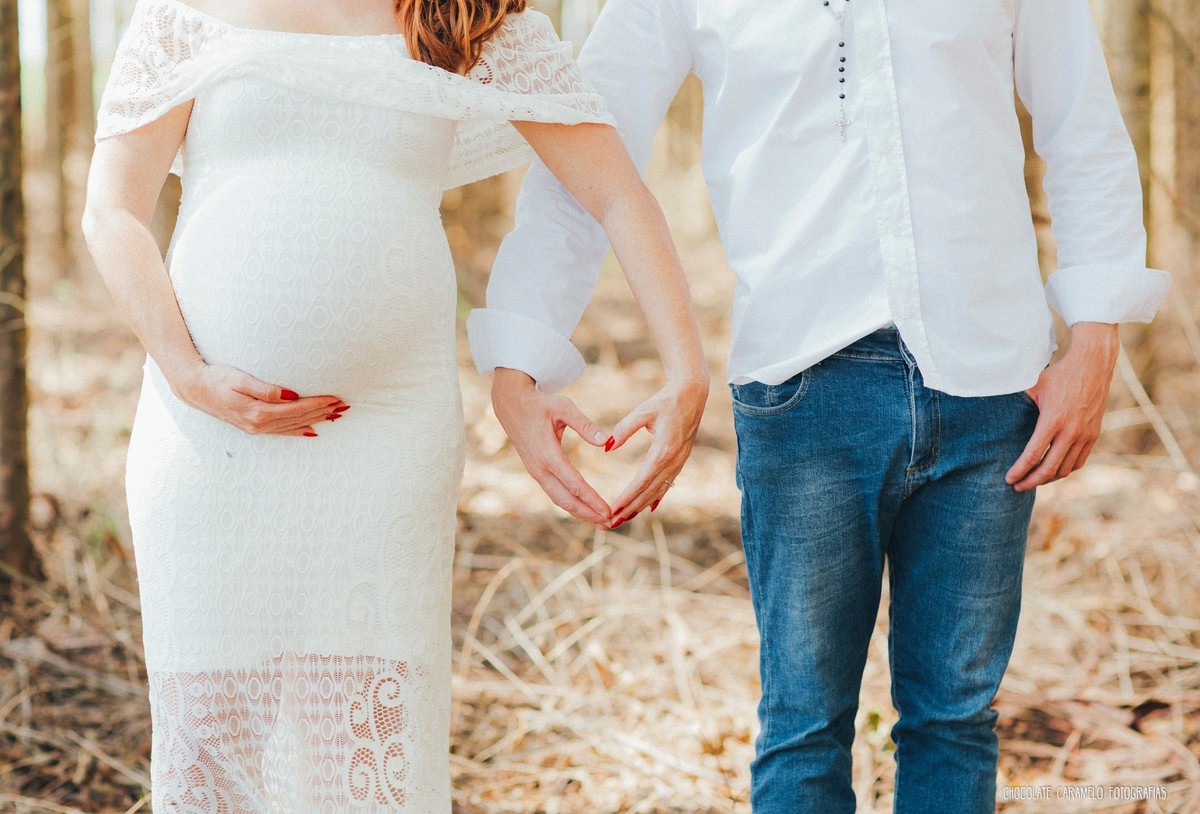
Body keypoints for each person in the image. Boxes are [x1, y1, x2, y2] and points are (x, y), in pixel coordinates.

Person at [471, 0, 1172, 810]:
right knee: (804, 728)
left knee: (957, 721)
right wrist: (520, 357)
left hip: (992, 383)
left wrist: (1096, 336)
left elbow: (1082, 126)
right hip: (803, 391)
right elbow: (584, 156)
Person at [81, 0, 707, 809]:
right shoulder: (186, 11)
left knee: (366, 747)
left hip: (389, 440)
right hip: (206, 433)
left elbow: (616, 193)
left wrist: (687, 369)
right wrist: (185, 371)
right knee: (211, 738)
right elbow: (113, 209)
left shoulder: (466, 18)